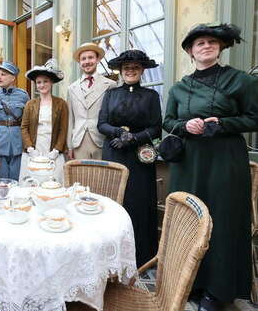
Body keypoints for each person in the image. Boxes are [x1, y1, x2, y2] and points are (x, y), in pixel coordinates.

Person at [163, 23, 258, 311]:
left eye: (212, 42)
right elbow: (167, 121)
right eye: (200, 43)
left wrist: (223, 124)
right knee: (190, 219)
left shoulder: (240, 81)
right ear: (191, 51)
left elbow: (255, 118)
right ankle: (192, 282)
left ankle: (219, 291)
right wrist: (184, 125)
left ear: (220, 48)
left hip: (225, 162)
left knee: (223, 220)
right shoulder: (179, 88)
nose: (206, 46)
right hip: (189, 163)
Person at [97, 50, 161, 268]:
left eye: (135, 68)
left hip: (139, 156)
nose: (131, 71)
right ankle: (111, 254)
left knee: (139, 203)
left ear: (142, 70)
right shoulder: (111, 94)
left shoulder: (151, 96)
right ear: (121, 72)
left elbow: (156, 127)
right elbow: (101, 124)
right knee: (115, 201)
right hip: (114, 152)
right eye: (127, 69)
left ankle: (142, 256)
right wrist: (118, 134)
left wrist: (133, 137)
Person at [19, 60, 68, 184]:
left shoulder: (61, 103)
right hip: (35, 148)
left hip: (52, 150)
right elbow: (24, 127)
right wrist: (30, 148)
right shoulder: (30, 104)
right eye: (39, 82)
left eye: (45, 81)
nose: (42, 85)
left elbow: (63, 129)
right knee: (32, 183)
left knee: (52, 183)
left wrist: (56, 150)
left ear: (51, 83)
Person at [67, 42, 117, 160]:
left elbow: (114, 116)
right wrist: (69, 146)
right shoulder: (71, 88)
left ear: (98, 59)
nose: (87, 61)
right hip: (79, 141)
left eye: (91, 57)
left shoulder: (110, 85)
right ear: (79, 62)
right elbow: (70, 119)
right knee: (80, 176)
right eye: (83, 59)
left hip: (102, 140)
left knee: (101, 176)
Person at [0, 61, 29, 180]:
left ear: (13, 78)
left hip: (18, 142)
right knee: (2, 180)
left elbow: (28, 120)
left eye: (3, 74)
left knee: (17, 179)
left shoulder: (23, 95)